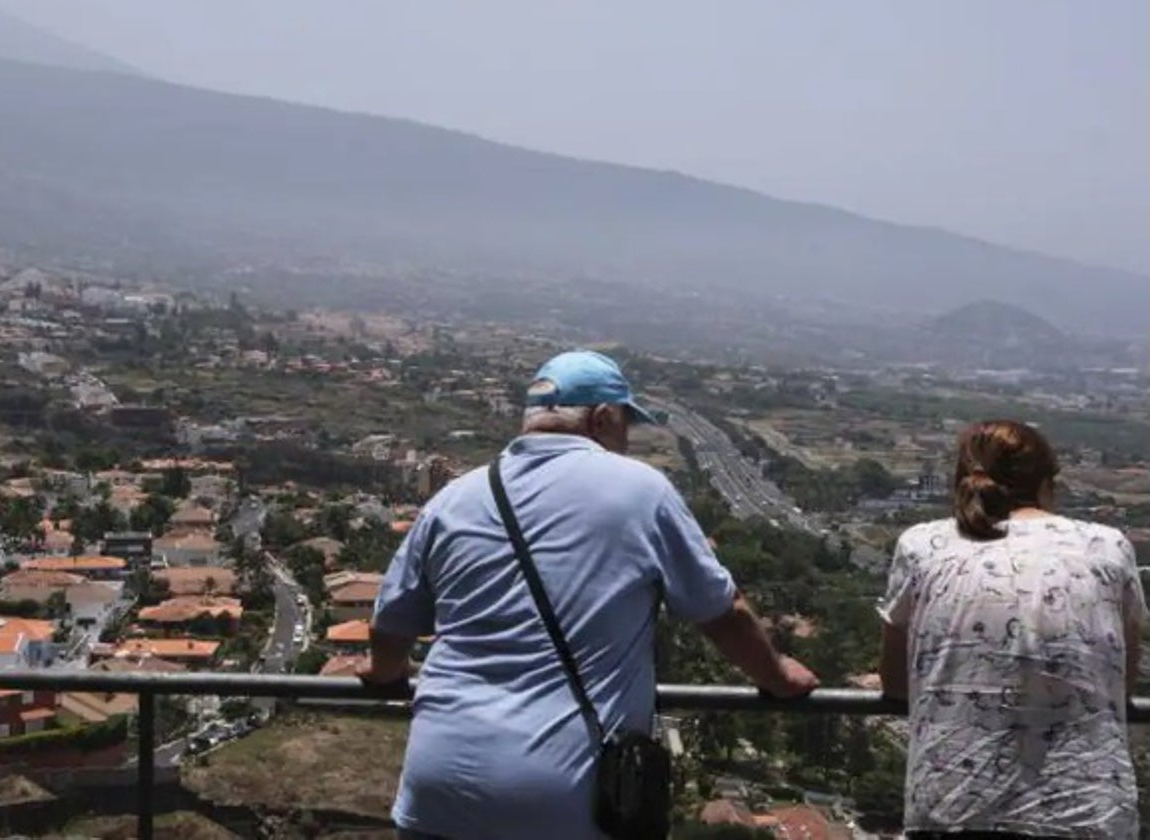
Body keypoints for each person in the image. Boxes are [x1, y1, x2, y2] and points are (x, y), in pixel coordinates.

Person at [358, 349, 819, 840]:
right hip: (560, 797)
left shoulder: (454, 497)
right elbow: (721, 612)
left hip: (439, 789)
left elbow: (391, 625)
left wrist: (385, 673)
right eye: (626, 426)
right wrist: (778, 675)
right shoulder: (642, 490)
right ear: (601, 419)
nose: (626, 442)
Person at [878, 419, 1146, 839]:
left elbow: (895, 684)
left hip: (956, 807)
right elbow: (1120, 682)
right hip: (1088, 812)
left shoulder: (922, 544)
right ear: (1048, 484)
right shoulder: (1109, 547)